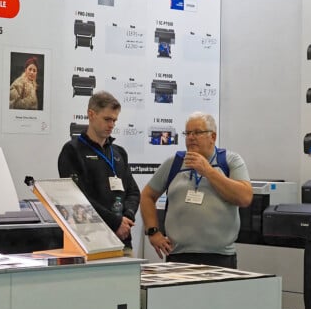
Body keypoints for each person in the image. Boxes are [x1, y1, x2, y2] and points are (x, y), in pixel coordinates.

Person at [139, 111, 252, 268]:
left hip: (220, 257)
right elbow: (147, 196)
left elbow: (245, 197)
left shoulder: (230, 161)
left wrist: (208, 171)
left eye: (197, 132)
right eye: (188, 133)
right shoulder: (175, 163)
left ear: (213, 137)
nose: (191, 137)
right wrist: (152, 232)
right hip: (178, 256)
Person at [57, 91, 140, 249]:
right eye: (107, 119)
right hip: (89, 240)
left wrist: (127, 217)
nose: (111, 125)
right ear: (91, 114)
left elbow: (133, 192)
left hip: (122, 239)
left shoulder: (119, 152)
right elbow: (77, 197)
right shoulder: (72, 151)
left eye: (114, 120)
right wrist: (115, 222)